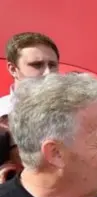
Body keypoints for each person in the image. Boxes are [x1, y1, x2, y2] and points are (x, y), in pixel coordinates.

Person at [1, 32, 59, 170]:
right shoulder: (2, 112)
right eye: (37, 65)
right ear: (13, 69)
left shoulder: (74, 111)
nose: (48, 73)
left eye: (52, 65)